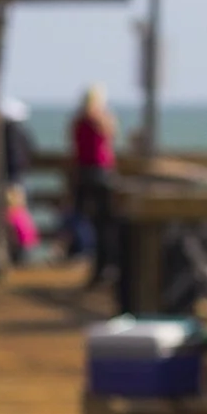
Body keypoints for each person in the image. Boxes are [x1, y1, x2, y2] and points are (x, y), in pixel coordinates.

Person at [70, 84, 120, 287]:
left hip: (84, 173)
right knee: (105, 224)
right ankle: (105, 266)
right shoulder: (100, 119)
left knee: (92, 222)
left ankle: (98, 266)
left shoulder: (78, 121)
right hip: (100, 174)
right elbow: (112, 133)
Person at [1, 97, 39, 266]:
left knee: (12, 219)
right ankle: (22, 253)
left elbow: (11, 158)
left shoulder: (7, 133)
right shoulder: (22, 132)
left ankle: (17, 253)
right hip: (20, 178)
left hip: (12, 179)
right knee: (20, 218)